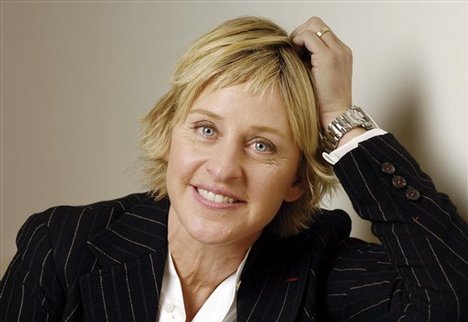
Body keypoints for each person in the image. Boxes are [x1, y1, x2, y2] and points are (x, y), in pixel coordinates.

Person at [0, 16, 467, 322]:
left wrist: (342, 123)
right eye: (206, 130)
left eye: (262, 145)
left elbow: (448, 301)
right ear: (168, 134)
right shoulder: (63, 243)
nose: (224, 169)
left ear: (297, 181)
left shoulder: (322, 268)